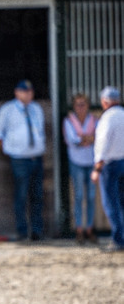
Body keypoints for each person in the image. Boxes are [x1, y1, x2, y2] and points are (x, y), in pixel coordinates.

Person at [0, 80, 46, 241]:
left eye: (30, 91)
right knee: (21, 195)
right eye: (24, 91)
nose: (28, 94)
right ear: (17, 92)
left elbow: (40, 130)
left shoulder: (36, 108)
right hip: (19, 159)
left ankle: (37, 231)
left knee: (37, 195)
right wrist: (9, 150)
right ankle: (22, 231)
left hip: (36, 156)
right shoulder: (7, 110)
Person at [91, 86, 124, 252]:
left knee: (111, 202)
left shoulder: (107, 118)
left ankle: (118, 239)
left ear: (104, 102)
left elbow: (102, 144)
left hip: (111, 165)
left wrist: (97, 167)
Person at [63, 93, 97, 244]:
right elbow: (72, 140)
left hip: (91, 161)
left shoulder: (93, 120)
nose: (80, 107)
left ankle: (89, 228)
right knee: (78, 196)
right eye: (77, 104)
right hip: (76, 161)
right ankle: (79, 229)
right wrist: (88, 138)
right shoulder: (68, 121)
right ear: (74, 106)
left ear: (88, 105)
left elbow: (97, 138)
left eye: (83, 104)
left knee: (90, 196)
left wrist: (83, 138)